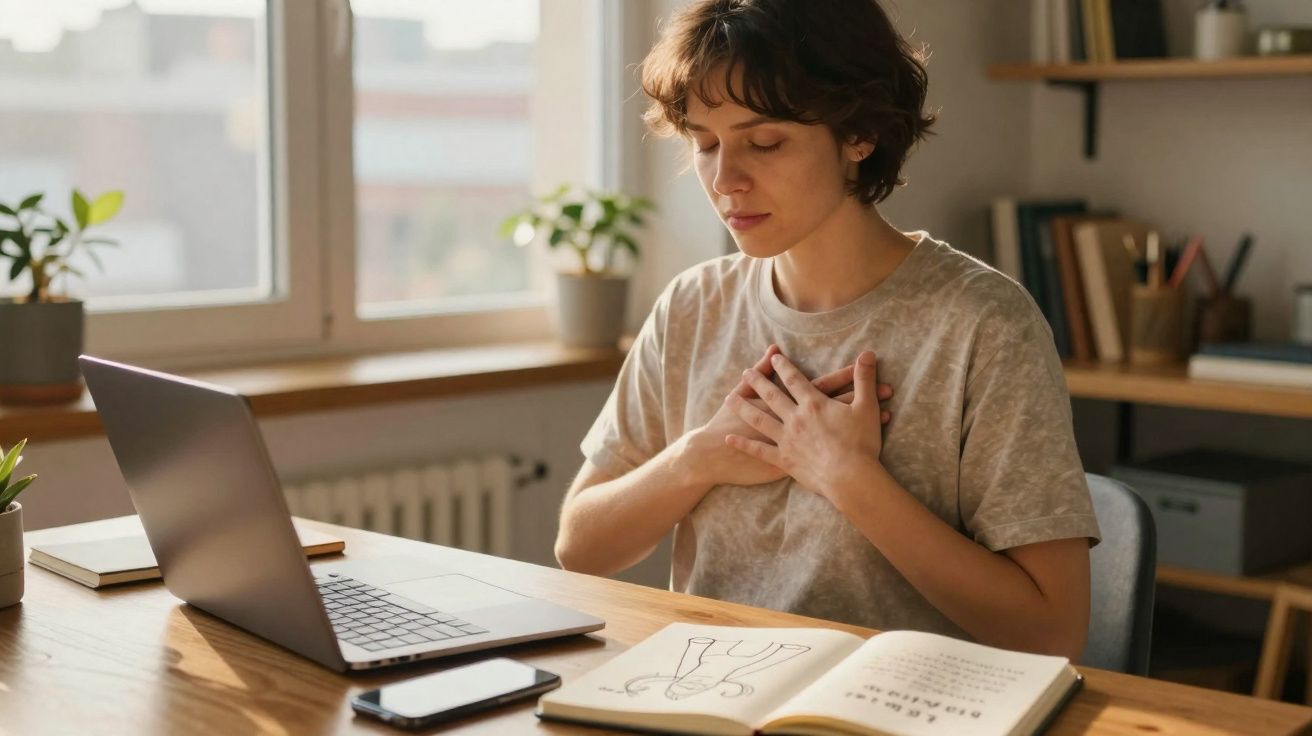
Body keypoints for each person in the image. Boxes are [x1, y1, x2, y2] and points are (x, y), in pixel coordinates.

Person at [554, 0, 1100, 660]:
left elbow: (1052, 632)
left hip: (901, 700)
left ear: (859, 133)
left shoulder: (984, 324)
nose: (725, 180)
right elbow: (579, 548)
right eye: (705, 144)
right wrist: (698, 458)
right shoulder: (692, 307)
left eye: (764, 143)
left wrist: (847, 477)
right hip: (707, 688)